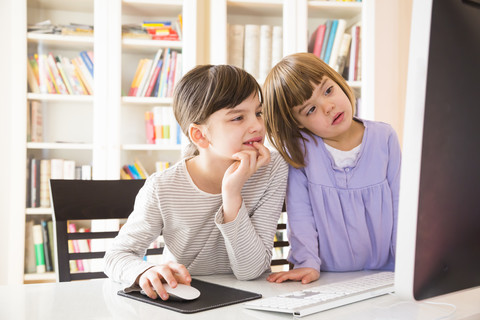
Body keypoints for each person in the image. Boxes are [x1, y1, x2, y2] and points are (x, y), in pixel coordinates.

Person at [104, 64, 288, 300]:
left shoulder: (271, 169)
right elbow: (116, 255)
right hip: (186, 301)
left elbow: (250, 271)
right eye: (238, 117)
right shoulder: (162, 187)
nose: (257, 126)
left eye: (259, 113)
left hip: (251, 298)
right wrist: (145, 271)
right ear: (200, 135)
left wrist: (232, 195)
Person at [262, 53, 401, 284]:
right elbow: (300, 215)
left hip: (387, 275)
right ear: (298, 123)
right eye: (310, 110)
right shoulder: (300, 152)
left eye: (328, 90)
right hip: (326, 279)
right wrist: (307, 263)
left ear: (338, 81)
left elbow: (400, 204)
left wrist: (407, 261)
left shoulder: (384, 137)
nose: (328, 107)